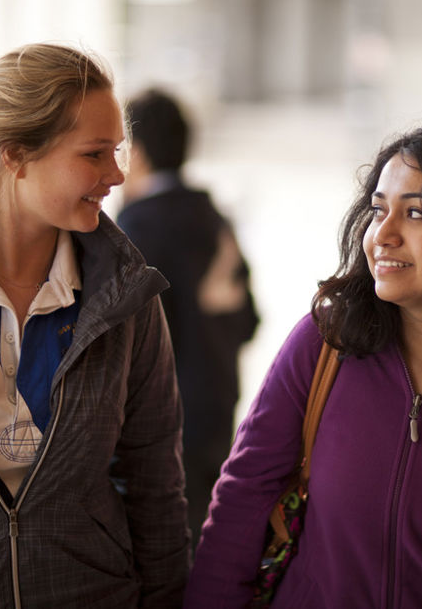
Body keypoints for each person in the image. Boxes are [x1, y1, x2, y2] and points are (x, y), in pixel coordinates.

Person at [183, 124, 422, 608]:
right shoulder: (325, 345)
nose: (383, 235)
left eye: (416, 214)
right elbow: (241, 504)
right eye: (378, 210)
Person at [0, 43, 189, 608]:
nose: (118, 174)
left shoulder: (129, 298)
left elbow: (155, 486)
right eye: (94, 154)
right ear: (16, 154)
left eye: (118, 151)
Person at [117, 88, 259, 547]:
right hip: (218, 412)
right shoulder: (215, 218)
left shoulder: (135, 228)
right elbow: (249, 321)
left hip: (162, 426)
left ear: (136, 153)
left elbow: (126, 342)